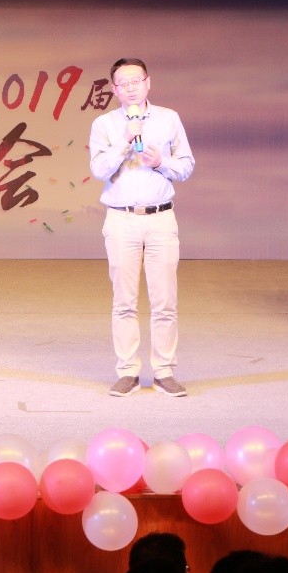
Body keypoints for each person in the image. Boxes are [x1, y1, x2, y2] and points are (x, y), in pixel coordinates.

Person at [89, 58, 195, 397]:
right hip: (121, 218)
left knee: (165, 301)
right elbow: (99, 170)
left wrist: (161, 162)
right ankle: (128, 372)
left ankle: (164, 371)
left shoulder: (169, 118)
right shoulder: (105, 124)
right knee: (124, 301)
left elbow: (186, 166)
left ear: (148, 83)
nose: (131, 87)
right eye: (123, 83)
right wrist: (124, 140)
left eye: (137, 80)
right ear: (114, 89)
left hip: (161, 218)